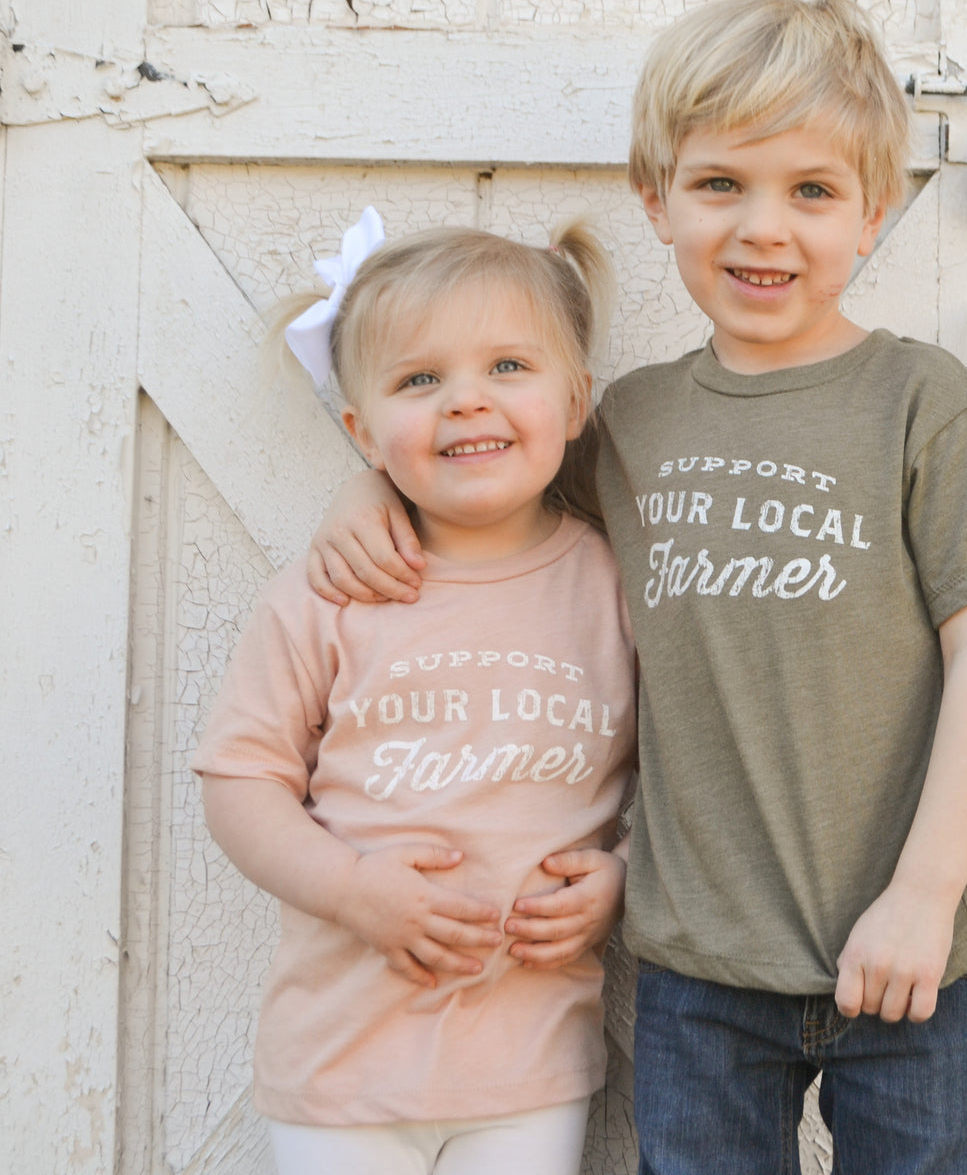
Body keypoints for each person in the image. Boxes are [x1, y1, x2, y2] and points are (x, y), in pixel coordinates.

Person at [306, 0, 967, 1174]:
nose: (764, 228)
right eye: (720, 185)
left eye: (811, 191)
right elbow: (485, 481)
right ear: (654, 199)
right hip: (698, 971)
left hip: (914, 956)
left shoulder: (919, 404)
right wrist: (372, 492)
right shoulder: (635, 422)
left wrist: (923, 888)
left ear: (872, 213)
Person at [193, 209, 637, 1175]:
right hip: (341, 1063)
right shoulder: (329, 595)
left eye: (508, 368)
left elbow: (698, 759)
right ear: (361, 429)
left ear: (576, 403)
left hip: (527, 1065)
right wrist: (350, 889)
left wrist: (628, 878)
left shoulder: (614, 588)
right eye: (419, 380)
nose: (465, 402)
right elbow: (239, 780)